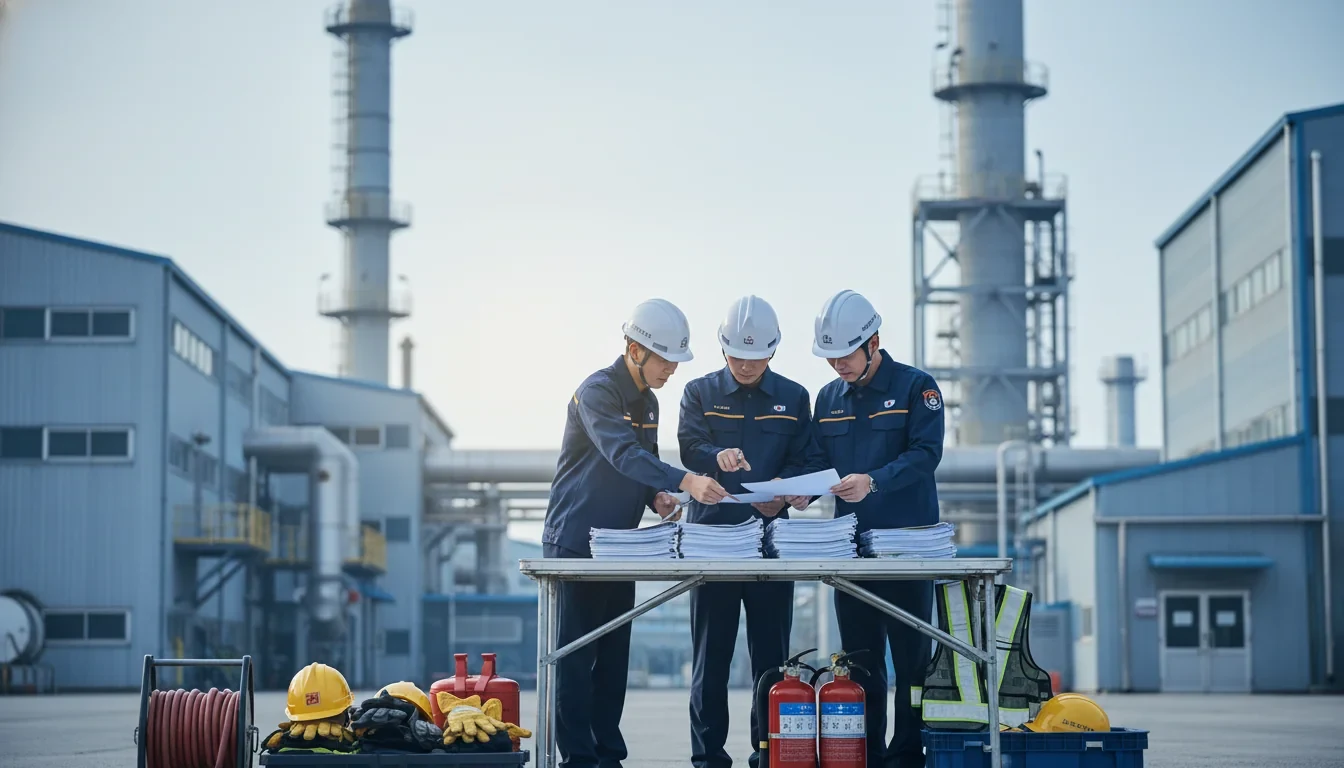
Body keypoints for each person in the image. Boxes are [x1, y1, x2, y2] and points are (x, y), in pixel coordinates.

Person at [542, 297, 730, 768]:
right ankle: (578, 759)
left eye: (675, 360)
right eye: (665, 359)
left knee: (613, 658)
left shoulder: (649, 401)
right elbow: (622, 453)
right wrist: (687, 480)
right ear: (634, 349)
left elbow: (641, 466)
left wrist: (657, 497)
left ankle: (609, 755)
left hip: (619, 546)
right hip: (576, 543)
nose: (672, 369)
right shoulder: (597, 393)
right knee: (575, 658)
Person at [797, 289, 945, 768]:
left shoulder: (917, 388)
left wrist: (874, 481)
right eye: (830, 357)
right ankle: (869, 757)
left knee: (912, 664)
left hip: (907, 552)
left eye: (845, 354)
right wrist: (804, 491)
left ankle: (907, 757)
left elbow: (926, 455)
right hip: (852, 554)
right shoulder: (828, 398)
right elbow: (819, 461)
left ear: (873, 342)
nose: (837, 364)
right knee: (860, 665)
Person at [677, 295, 822, 768]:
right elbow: (689, 445)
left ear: (773, 350)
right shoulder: (699, 392)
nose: (745, 365)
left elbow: (806, 459)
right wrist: (714, 456)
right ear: (722, 348)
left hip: (770, 545)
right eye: (737, 355)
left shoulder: (794, 397)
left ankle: (769, 755)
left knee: (772, 662)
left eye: (755, 357)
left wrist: (784, 490)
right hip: (712, 544)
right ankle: (708, 759)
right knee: (710, 660)